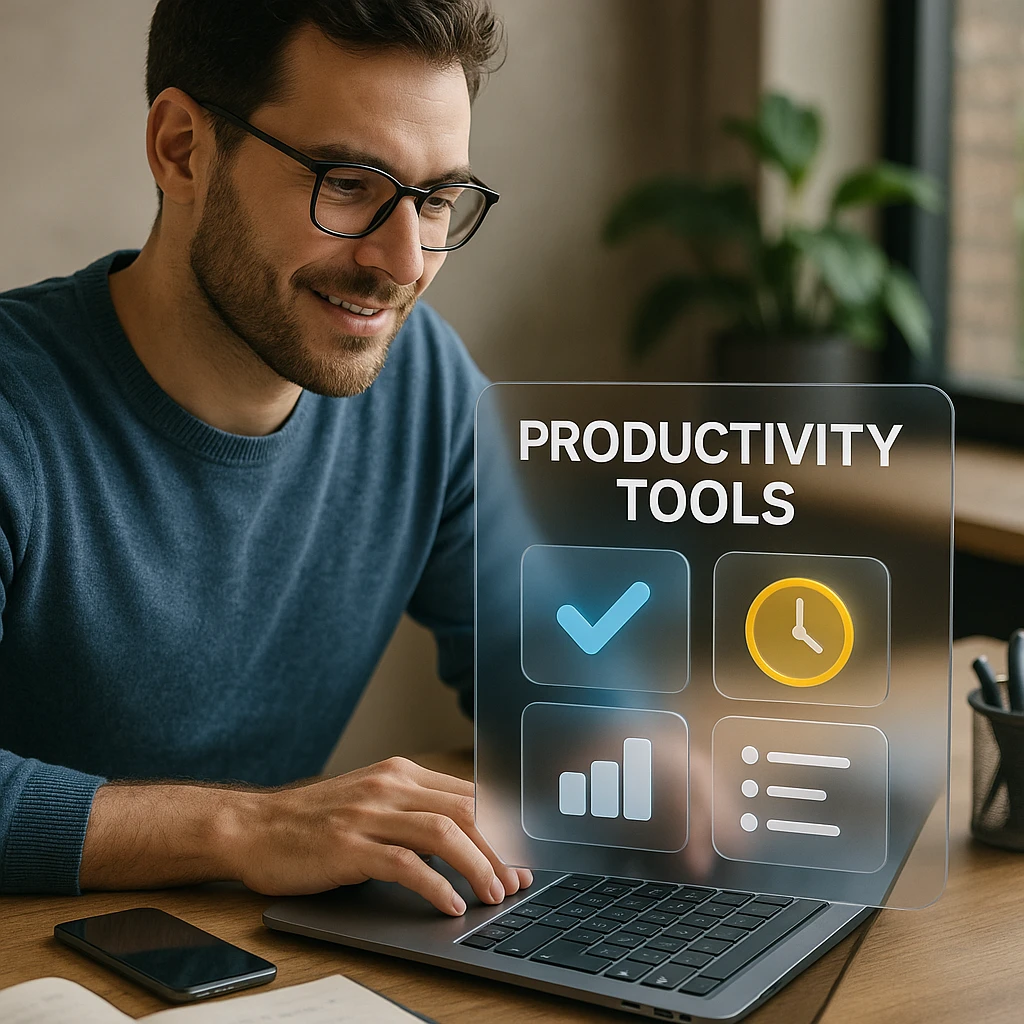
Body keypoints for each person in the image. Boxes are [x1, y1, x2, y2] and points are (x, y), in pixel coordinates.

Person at [0, 0, 533, 916]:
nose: (404, 260)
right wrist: (248, 829)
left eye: (437, 198)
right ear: (181, 148)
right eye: (350, 182)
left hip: (263, 969)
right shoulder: (18, 411)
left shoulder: (426, 387)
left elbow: (551, 675)